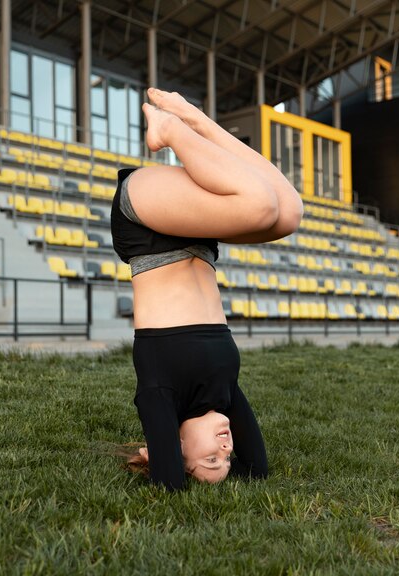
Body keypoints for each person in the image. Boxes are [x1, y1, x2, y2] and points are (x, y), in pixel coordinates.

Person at [111, 88, 303, 491]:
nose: (226, 446)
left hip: (145, 225)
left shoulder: (161, 393)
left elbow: (169, 484)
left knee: (259, 206)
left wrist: (161, 460)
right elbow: (258, 470)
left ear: (176, 444)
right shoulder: (223, 396)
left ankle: (169, 129)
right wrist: (229, 463)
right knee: (287, 212)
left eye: (210, 458)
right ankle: (192, 118)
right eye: (227, 458)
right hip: (194, 237)